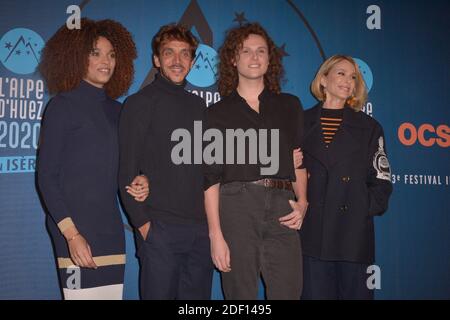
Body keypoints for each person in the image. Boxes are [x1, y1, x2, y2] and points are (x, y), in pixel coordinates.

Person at [37, 18, 149, 300]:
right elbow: (46, 177)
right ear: (77, 56)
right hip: (73, 229)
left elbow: (127, 168)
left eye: (111, 54)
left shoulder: (118, 110)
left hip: (110, 226)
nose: (106, 61)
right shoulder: (62, 106)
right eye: (95, 53)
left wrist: (141, 179)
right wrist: (71, 235)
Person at [204, 23, 308, 300]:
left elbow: (299, 162)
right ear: (233, 59)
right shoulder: (216, 114)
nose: (254, 57)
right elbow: (210, 178)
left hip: (282, 206)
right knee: (240, 296)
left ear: (269, 58)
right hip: (236, 205)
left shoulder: (290, 105)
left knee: (289, 292)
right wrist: (216, 235)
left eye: (261, 50)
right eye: (246, 51)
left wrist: (303, 202)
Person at [118, 24, 214, 300]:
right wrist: (144, 226)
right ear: (157, 60)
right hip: (160, 229)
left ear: (193, 62)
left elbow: (205, 166)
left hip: (199, 230)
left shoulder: (198, 106)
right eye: (169, 53)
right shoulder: (140, 103)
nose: (177, 60)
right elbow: (127, 169)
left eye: (185, 54)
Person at [300, 55, 393, 300]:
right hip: (311, 236)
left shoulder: (369, 128)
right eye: (340, 73)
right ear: (323, 79)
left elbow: (381, 183)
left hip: (352, 237)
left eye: (353, 76)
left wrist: (359, 208)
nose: (348, 81)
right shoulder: (299, 122)